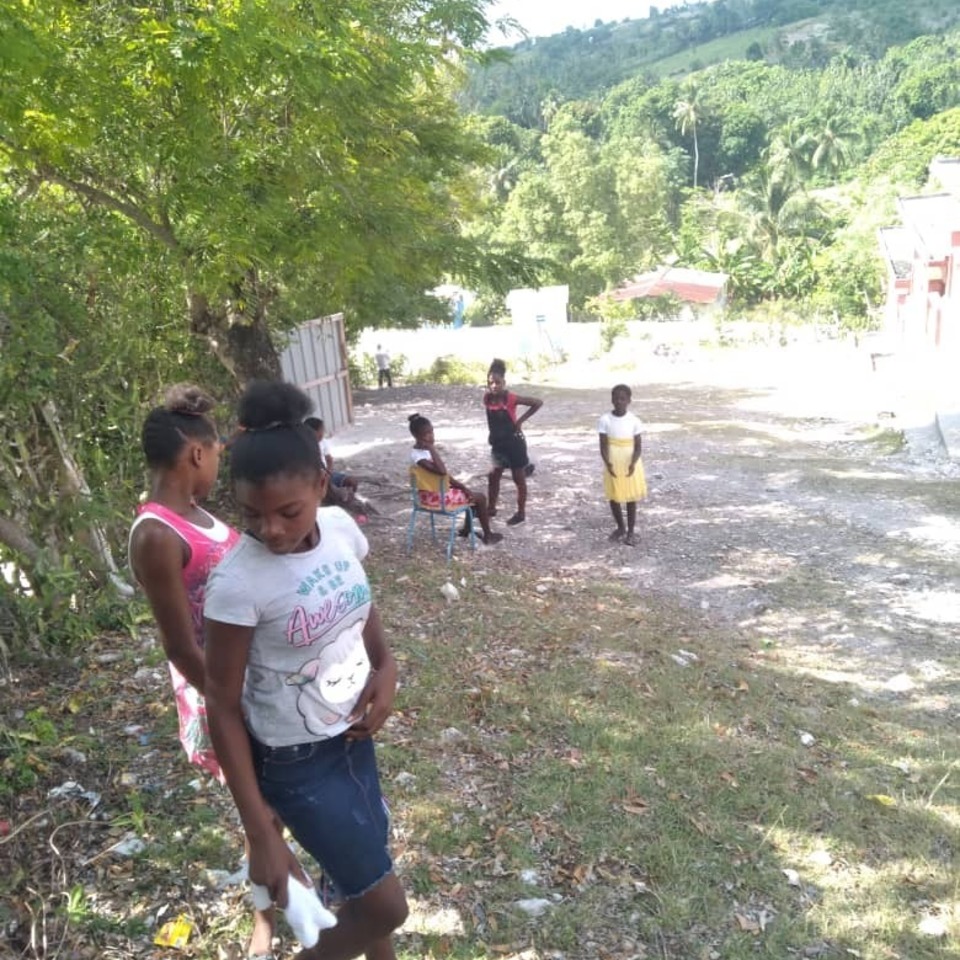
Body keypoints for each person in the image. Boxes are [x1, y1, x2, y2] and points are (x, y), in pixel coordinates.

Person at [204, 381, 406, 960]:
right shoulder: (238, 584)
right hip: (295, 763)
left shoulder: (341, 530)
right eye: (252, 514)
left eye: (288, 511)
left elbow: (357, 603)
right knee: (388, 905)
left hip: (351, 738)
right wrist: (262, 833)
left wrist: (386, 664)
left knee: (363, 888)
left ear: (321, 484)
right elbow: (221, 703)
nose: (271, 529)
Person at [127, 385, 276, 958]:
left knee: (271, 806)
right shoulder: (157, 534)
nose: (217, 463)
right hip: (223, 694)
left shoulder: (199, 513)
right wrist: (231, 702)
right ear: (195, 455)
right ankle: (268, 918)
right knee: (258, 809)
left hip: (255, 681)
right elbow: (179, 645)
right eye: (215, 453)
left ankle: (278, 897)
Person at [408, 413, 503, 545]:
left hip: (430, 494)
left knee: (470, 495)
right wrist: (432, 449)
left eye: (432, 432)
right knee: (480, 498)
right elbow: (442, 472)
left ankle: (466, 529)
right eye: (426, 434)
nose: (431, 436)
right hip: (435, 498)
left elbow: (444, 476)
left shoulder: (420, 453)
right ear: (416, 436)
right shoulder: (419, 457)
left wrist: (463, 487)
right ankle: (488, 535)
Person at [483, 358, 542, 526]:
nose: (494, 386)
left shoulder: (510, 398)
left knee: (519, 479)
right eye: (491, 383)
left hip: (515, 445)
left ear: (504, 382)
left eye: (498, 382)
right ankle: (491, 508)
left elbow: (537, 403)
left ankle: (521, 513)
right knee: (493, 477)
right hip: (498, 445)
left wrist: (520, 421)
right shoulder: (487, 399)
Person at [598, 383, 646, 546]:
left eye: (623, 398)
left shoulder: (634, 421)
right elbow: (603, 445)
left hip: (630, 462)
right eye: (616, 398)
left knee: (631, 497)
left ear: (629, 400)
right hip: (612, 461)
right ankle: (620, 527)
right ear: (611, 399)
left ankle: (631, 531)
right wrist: (607, 462)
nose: (619, 401)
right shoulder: (605, 420)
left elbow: (638, 447)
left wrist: (633, 462)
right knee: (614, 496)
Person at [305, 416, 362, 515]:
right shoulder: (304, 446)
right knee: (330, 493)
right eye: (321, 430)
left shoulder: (323, 443)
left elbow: (329, 460)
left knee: (352, 481)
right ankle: (338, 505)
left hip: (326, 473)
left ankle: (348, 499)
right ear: (313, 432)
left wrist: (328, 473)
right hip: (314, 478)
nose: (323, 432)